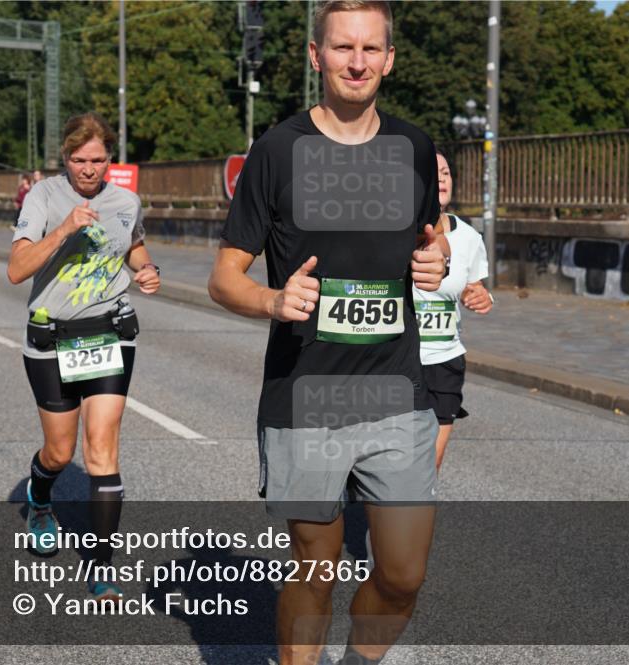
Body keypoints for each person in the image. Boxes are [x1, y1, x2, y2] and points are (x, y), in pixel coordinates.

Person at [208, 2, 448, 664]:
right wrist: (271, 297)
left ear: (390, 60)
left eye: (371, 49)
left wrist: (439, 261)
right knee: (315, 566)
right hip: (304, 395)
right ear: (317, 56)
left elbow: (436, 236)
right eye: (343, 47)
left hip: (397, 393)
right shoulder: (279, 151)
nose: (358, 61)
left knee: (402, 573)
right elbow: (224, 277)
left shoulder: (415, 149)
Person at [7, 112, 160, 603]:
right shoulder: (45, 197)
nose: (88, 170)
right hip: (52, 338)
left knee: (102, 450)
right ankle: (40, 498)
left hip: (109, 333)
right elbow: (15, 270)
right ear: (65, 158)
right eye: (79, 160)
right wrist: (63, 230)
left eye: (97, 160)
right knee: (59, 453)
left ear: (109, 159)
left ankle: (101, 568)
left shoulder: (125, 200)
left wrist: (147, 268)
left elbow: (133, 245)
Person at [415, 151, 493, 472]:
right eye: (434, 173)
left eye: (446, 172)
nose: (443, 178)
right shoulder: (390, 233)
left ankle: (408, 519)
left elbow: (473, 286)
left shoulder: (470, 238)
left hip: (445, 360)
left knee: (427, 465)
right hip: (396, 361)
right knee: (388, 467)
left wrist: (482, 297)